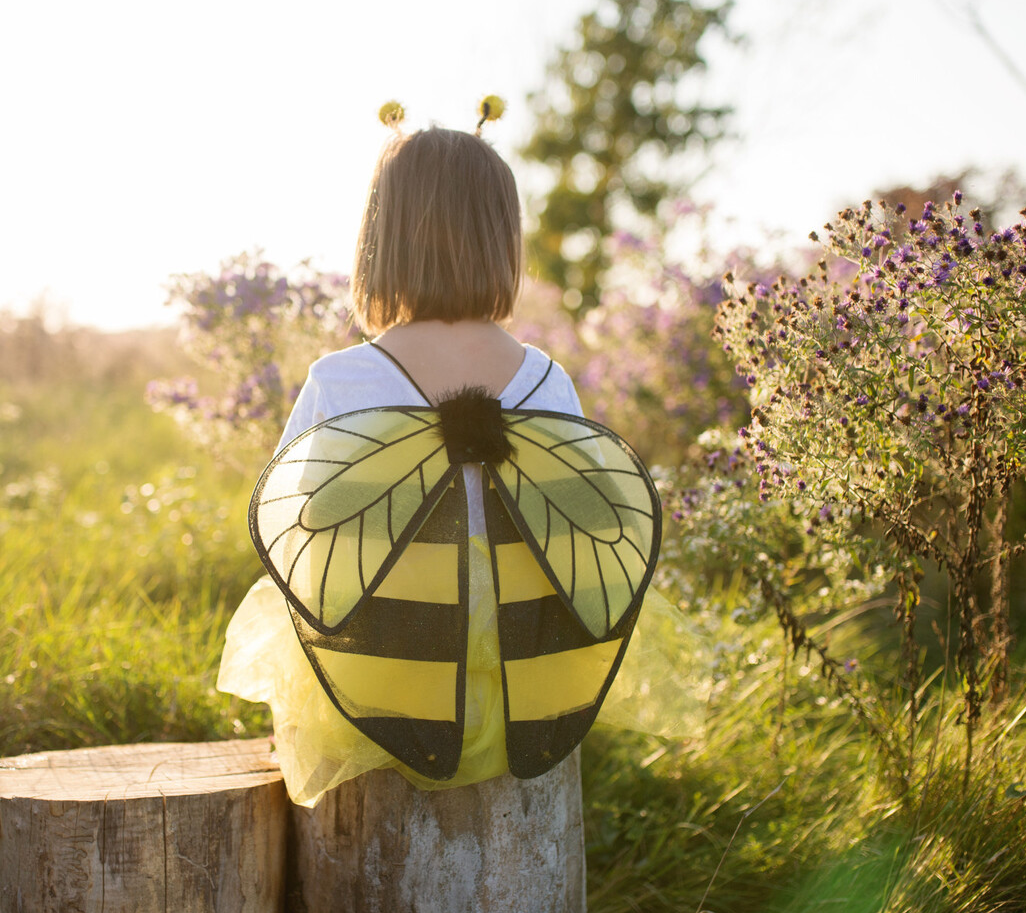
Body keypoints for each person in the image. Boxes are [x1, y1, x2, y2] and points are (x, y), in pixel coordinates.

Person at [218, 97, 706, 806]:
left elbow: (300, 539)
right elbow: (584, 535)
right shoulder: (547, 378)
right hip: (529, 673)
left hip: (387, 670)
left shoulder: (343, 379)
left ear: (380, 241)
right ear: (502, 240)